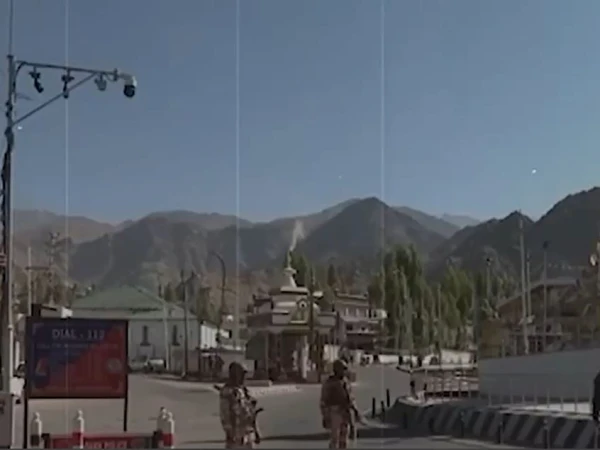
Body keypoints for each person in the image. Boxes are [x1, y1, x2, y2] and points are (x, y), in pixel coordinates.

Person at [320, 359, 360, 449]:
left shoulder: (345, 381)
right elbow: (324, 400)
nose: (344, 371)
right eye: (343, 369)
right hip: (335, 411)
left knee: (344, 438)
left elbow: (351, 397)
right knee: (335, 438)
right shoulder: (329, 383)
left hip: (345, 411)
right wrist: (325, 415)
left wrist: (355, 410)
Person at [219, 361, 258, 448]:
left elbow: (251, 414)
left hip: (248, 433)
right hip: (236, 435)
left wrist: (256, 431)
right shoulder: (228, 392)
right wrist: (230, 433)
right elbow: (225, 414)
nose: (244, 377)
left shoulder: (244, 391)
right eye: (241, 374)